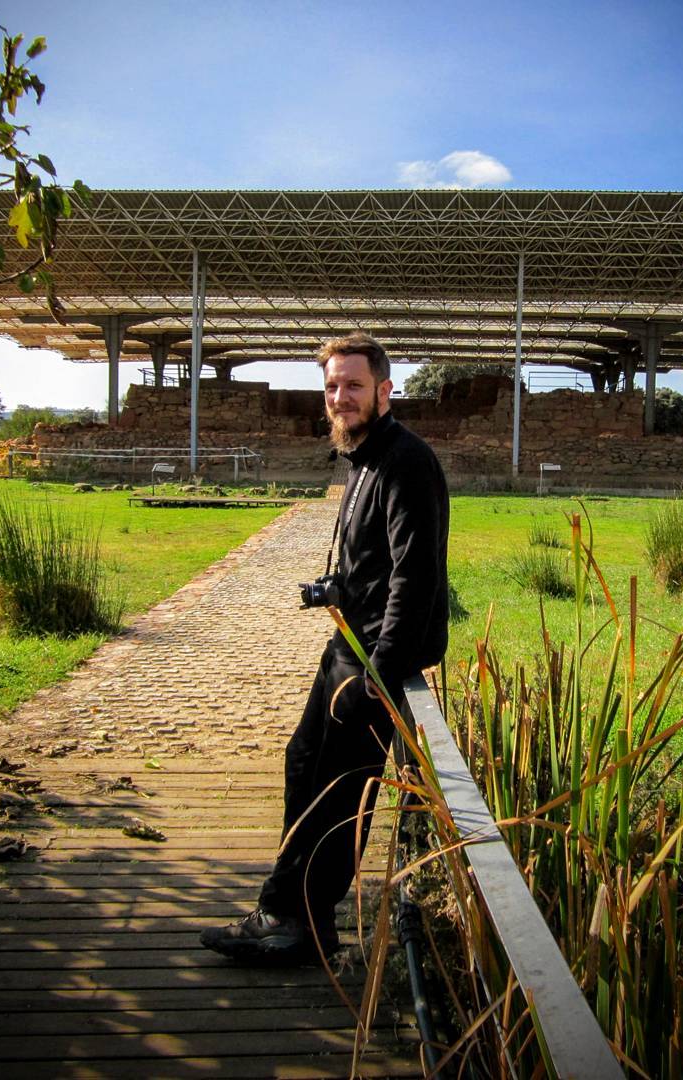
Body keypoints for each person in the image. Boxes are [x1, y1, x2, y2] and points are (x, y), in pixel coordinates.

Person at [201, 331, 449, 963]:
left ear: (385, 390)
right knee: (304, 765)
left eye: (354, 385)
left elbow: (415, 577)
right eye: (333, 386)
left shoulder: (406, 460)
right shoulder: (364, 456)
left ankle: (295, 924)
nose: (341, 397)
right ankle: (289, 913)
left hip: (372, 662)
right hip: (349, 646)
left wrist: (380, 676)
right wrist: (340, 587)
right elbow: (377, 562)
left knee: (334, 795)